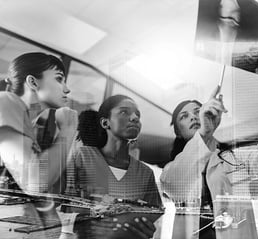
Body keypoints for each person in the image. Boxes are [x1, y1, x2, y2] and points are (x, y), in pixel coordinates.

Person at [160, 86, 258, 238]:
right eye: (184, 116)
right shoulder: (172, 170)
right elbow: (172, 184)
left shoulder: (233, 160)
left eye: (197, 111)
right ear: (178, 132)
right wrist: (203, 134)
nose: (193, 117)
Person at [0, 52, 78, 238]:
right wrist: (67, 131)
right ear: (33, 82)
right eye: (59, 79)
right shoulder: (6, 101)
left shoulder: (27, 127)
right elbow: (34, 180)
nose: (67, 89)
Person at [65, 94, 162, 238]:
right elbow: (63, 208)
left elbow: (153, 217)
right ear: (105, 123)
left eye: (138, 115)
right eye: (124, 112)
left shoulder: (145, 173)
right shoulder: (83, 157)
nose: (135, 118)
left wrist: (147, 231)